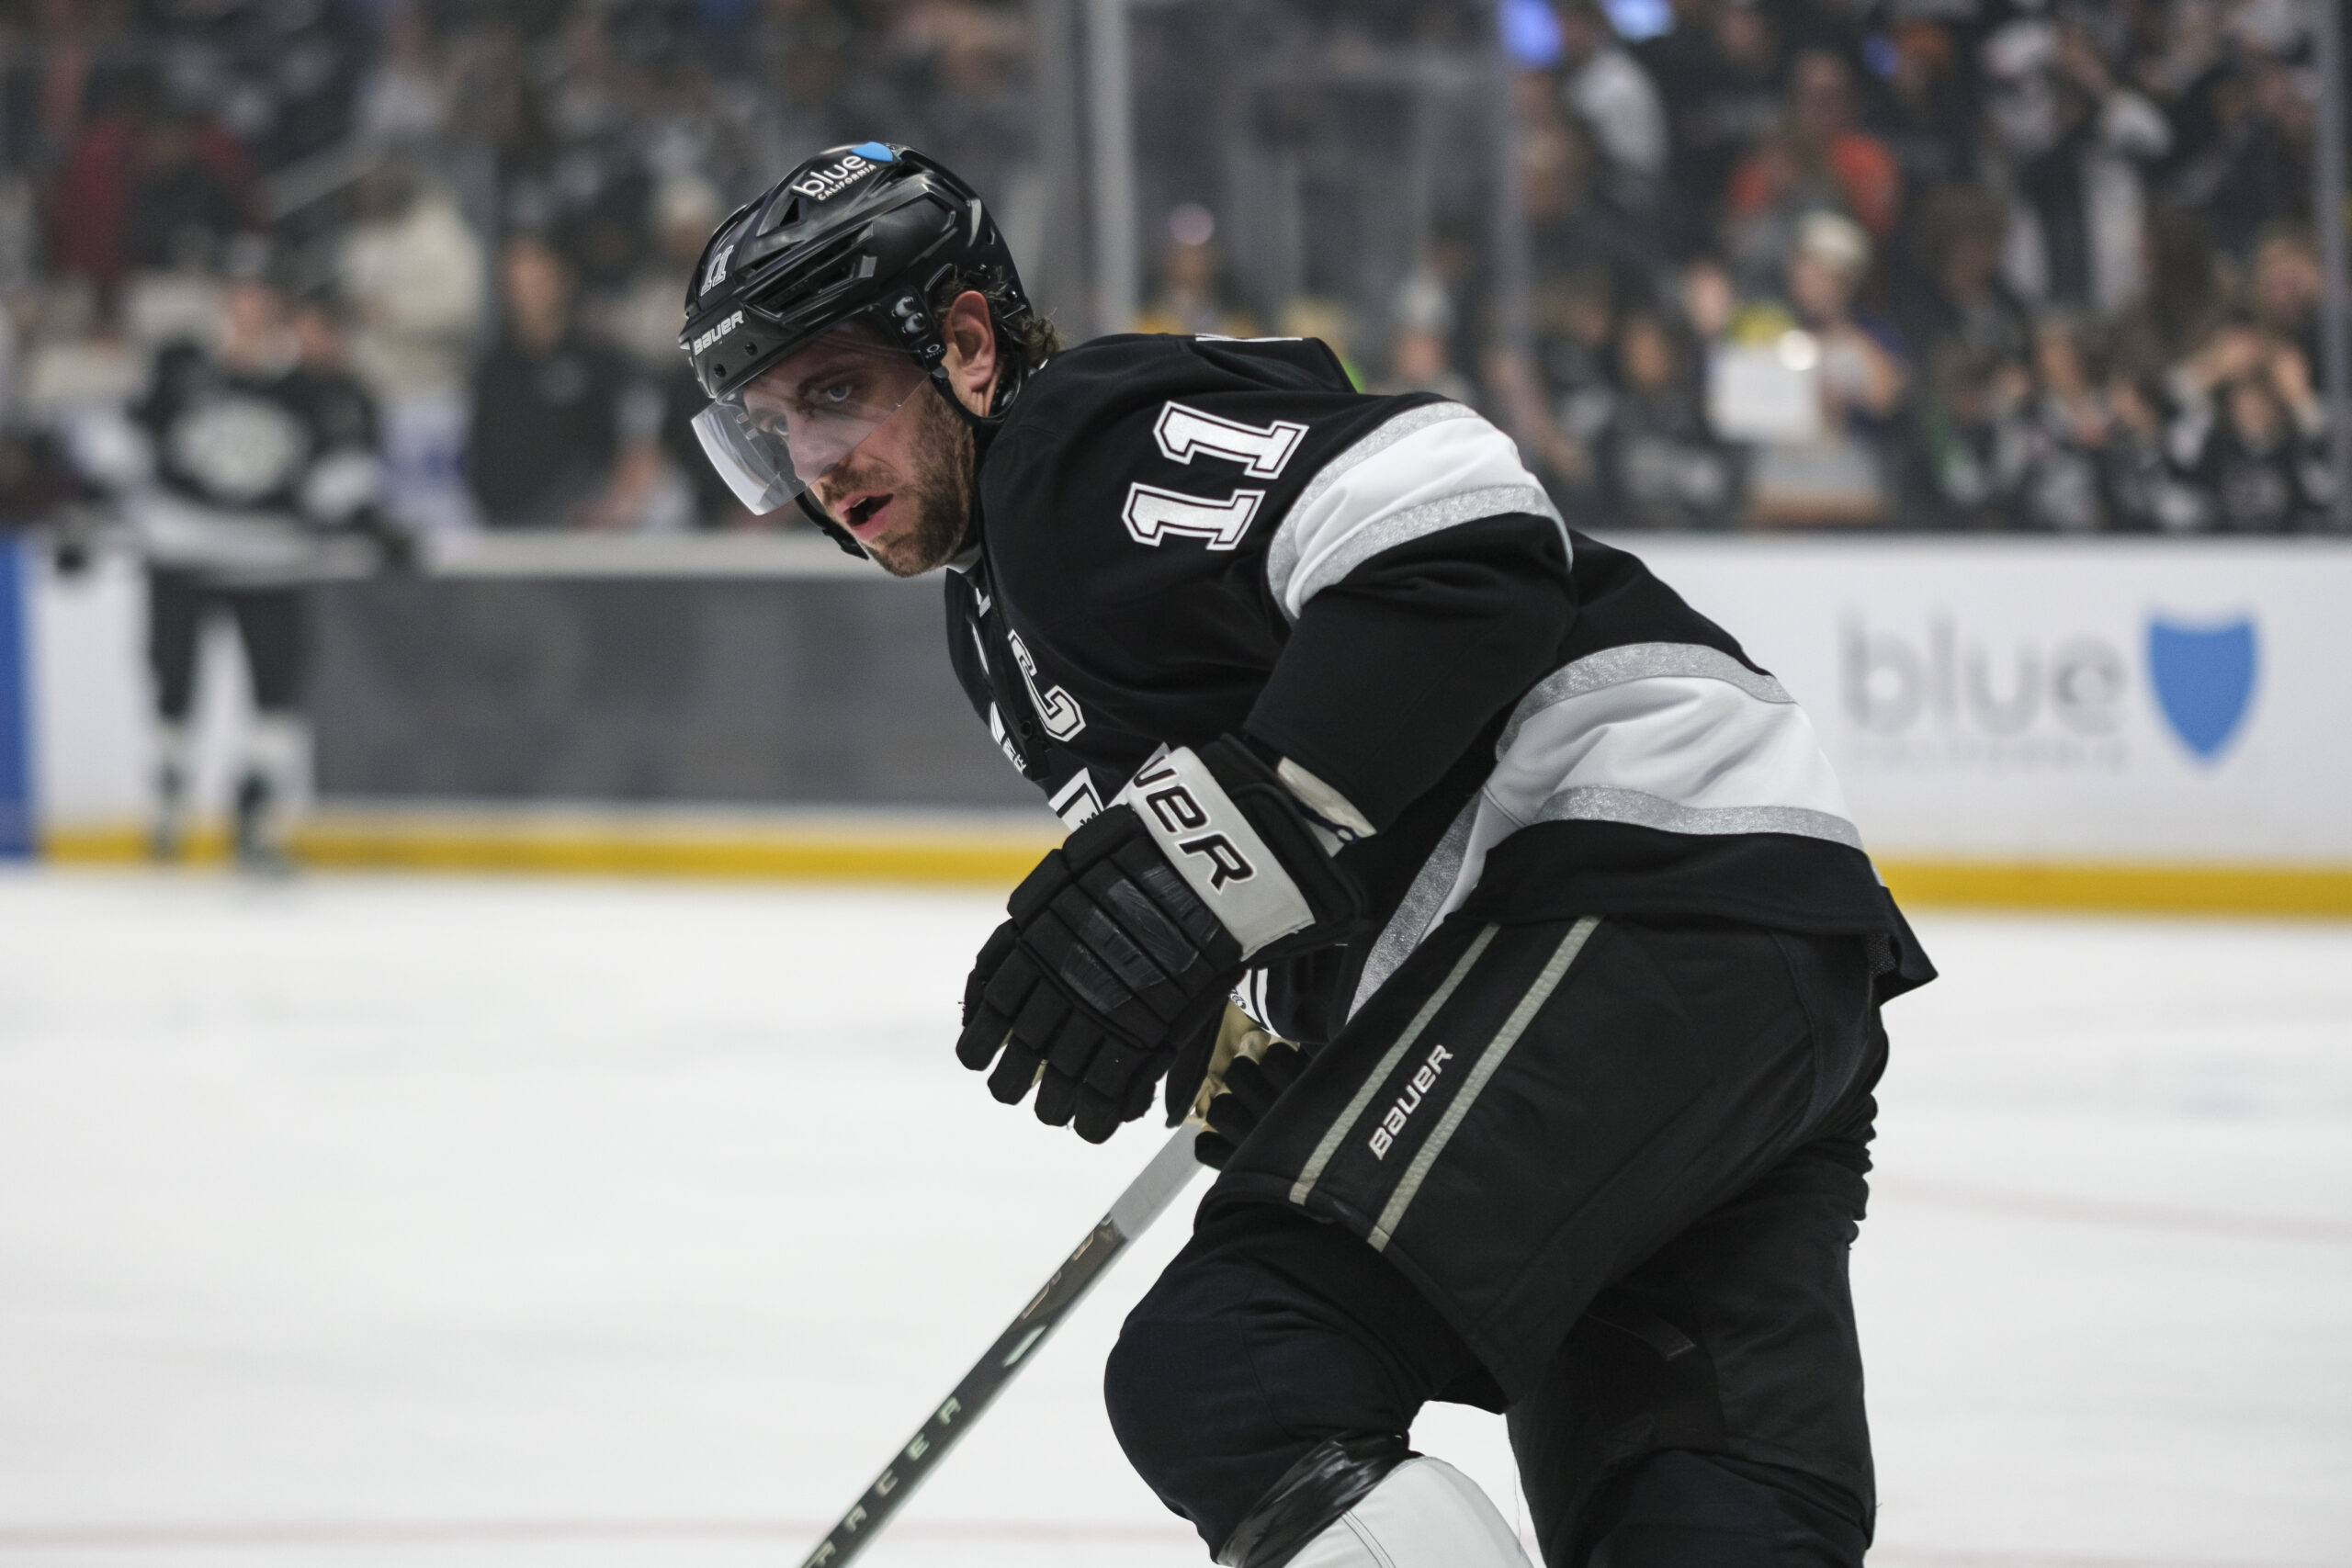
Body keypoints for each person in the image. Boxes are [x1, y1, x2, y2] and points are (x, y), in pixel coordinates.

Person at [682, 143, 1933, 1568]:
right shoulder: (995, 618)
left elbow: (1466, 538)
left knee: (1236, 1364)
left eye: (835, 391)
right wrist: (1272, 1030)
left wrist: (1228, 854)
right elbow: (1265, 858)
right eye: (771, 425)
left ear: (965, 344)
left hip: (1625, 889)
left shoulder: (1073, 446)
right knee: (1696, 1509)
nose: (811, 463)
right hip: (1731, 942)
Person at [121, 264, 383, 866]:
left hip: (271, 557)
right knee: (173, 674)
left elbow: (337, 472)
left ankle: (258, 807)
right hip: (183, 550)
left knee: (278, 684)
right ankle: (169, 799)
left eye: (261, 296)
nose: (249, 309)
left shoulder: (310, 385)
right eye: (239, 295)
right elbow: (128, 445)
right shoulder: (181, 367)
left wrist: (357, 510)